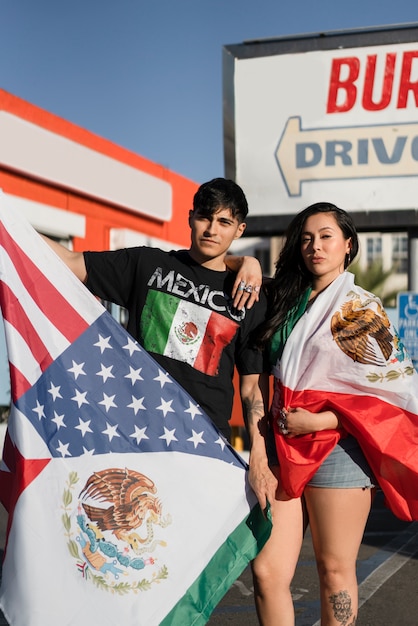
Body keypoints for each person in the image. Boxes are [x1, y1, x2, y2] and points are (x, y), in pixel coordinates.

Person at [246, 202, 418, 626]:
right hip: (282, 446)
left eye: (326, 236)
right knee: (267, 571)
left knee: (333, 570)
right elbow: (225, 267)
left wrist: (321, 421)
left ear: (347, 245)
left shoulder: (363, 308)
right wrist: (246, 258)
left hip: (339, 451)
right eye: (306, 238)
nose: (315, 246)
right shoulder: (284, 298)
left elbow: (394, 394)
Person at [43, 177, 266, 442]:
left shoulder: (248, 295)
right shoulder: (146, 265)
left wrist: (260, 457)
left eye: (224, 222)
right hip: (135, 431)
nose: (212, 230)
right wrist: (10, 224)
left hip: (206, 443)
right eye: (205, 218)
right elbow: (71, 261)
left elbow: (252, 390)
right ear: (190, 217)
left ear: (240, 230)